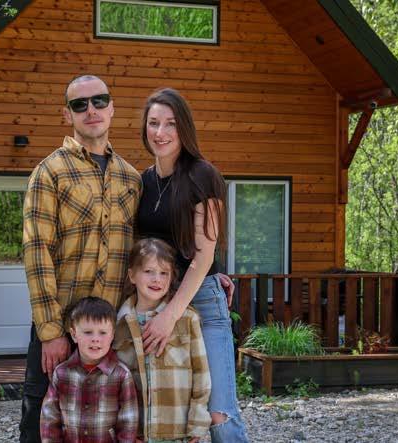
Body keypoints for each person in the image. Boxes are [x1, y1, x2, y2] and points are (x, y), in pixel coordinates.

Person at [20, 75, 142, 442]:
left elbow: (146, 249)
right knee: (42, 420)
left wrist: (213, 272)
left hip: (111, 330)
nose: (91, 110)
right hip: (62, 326)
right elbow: (36, 252)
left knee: (109, 421)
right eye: (80, 104)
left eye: (99, 101)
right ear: (67, 114)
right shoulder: (49, 173)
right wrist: (51, 332)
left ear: (112, 108)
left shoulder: (131, 179)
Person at [134, 88, 249, 442]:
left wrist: (169, 317)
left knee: (218, 411)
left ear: (184, 127)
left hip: (200, 303)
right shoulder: (142, 182)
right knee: (172, 412)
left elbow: (204, 255)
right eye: (153, 123)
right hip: (156, 302)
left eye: (170, 123)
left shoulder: (203, 176)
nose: (160, 132)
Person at [113, 238, 210, 443]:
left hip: (177, 431)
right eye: (149, 271)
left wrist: (198, 422)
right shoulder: (118, 324)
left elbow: (201, 374)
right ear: (132, 275)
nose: (157, 279)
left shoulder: (187, 319)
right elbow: (114, 383)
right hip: (137, 433)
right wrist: (124, 429)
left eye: (164, 273)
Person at [40, 297, 139, 443]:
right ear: (74, 334)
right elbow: (49, 418)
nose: (95, 339)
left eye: (102, 332)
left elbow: (128, 422)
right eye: (88, 332)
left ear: (112, 335)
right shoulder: (61, 373)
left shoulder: (121, 375)